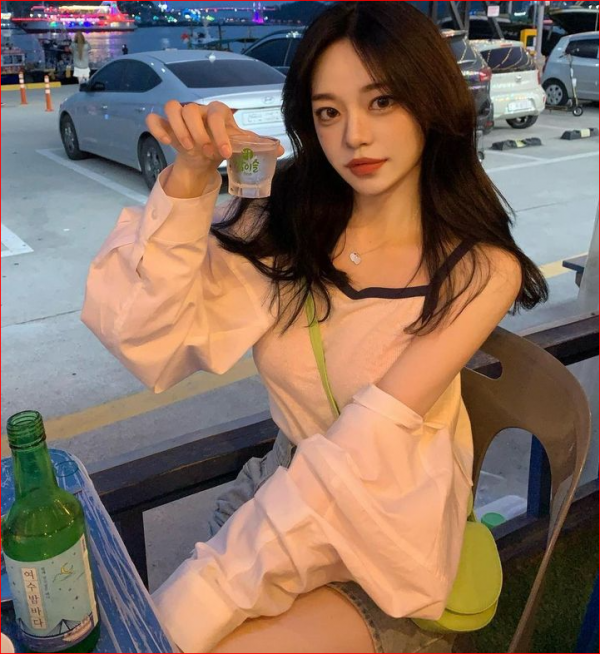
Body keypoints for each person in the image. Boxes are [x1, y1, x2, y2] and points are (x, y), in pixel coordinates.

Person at [82, 3, 548, 652]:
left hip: (388, 520)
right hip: (283, 486)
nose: (354, 135)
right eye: (329, 112)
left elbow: (361, 453)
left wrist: (187, 604)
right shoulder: (284, 221)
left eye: (381, 101)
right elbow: (150, 343)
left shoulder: (475, 268)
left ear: (432, 102)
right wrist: (190, 178)